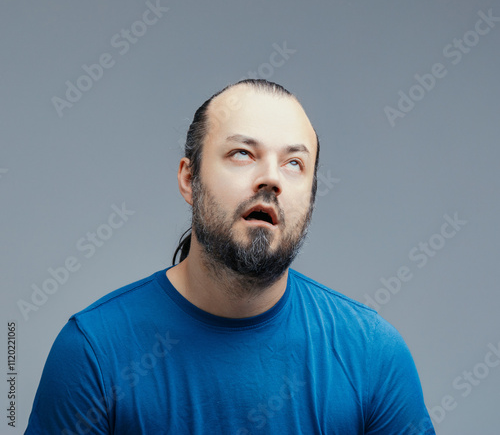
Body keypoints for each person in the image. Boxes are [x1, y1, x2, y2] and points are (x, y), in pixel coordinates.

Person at [25, 79, 435, 434]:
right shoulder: (92, 351)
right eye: (243, 153)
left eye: (294, 163)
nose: (271, 178)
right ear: (190, 179)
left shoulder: (373, 356)